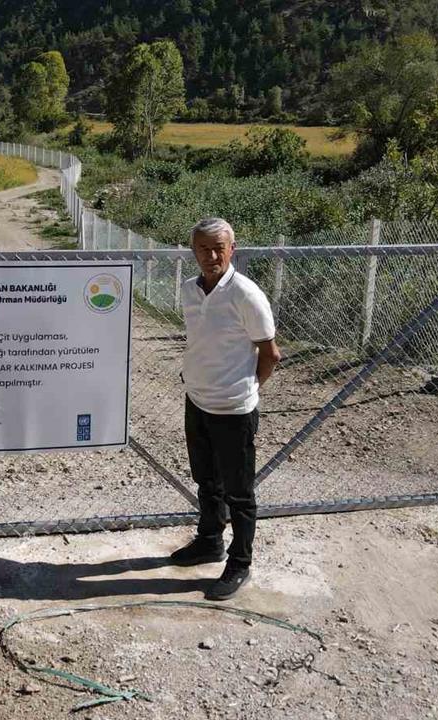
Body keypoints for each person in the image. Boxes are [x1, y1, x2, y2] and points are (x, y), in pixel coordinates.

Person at [170, 217, 281, 600]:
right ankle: (209, 542)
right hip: (197, 401)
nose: (212, 256)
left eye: (219, 248)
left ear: (232, 249)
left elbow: (270, 354)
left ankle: (239, 563)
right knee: (207, 481)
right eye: (204, 248)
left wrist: (246, 389)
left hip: (233, 411)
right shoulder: (189, 290)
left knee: (239, 493)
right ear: (193, 251)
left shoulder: (246, 294)